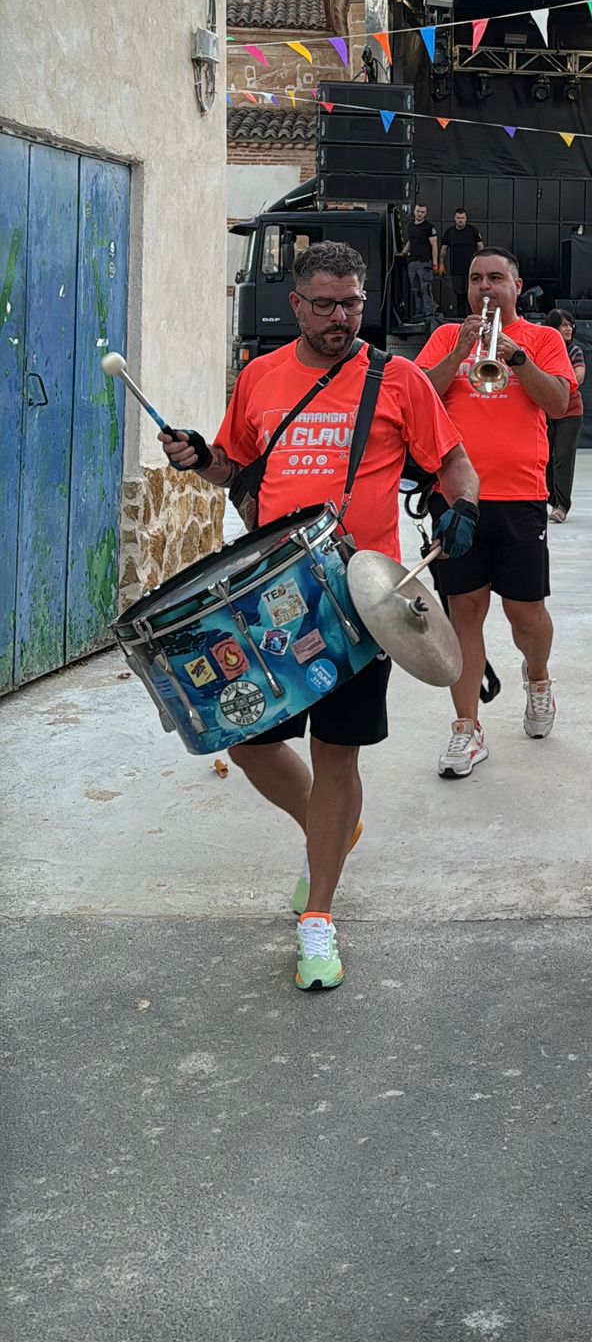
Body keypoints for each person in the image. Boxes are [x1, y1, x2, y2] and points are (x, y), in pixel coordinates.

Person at [159, 240, 479, 993]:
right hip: (268, 596)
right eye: (326, 305)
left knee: (339, 754)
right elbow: (236, 468)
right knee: (245, 739)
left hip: (360, 599)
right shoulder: (261, 377)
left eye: (352, 304)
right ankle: (329, 831)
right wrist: (199, 456)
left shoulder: (397, 378)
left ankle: (319, 917)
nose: (341, 318)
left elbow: (453, 462)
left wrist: (462, 507)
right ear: (295, 305)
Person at [416, 247, 577, 773]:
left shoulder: (543, 339)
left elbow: (558, 403)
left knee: (524, 612)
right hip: (457, 499)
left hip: (521, 496)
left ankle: (538, 677)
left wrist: (517, 358)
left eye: (495, 278)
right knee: (464, 610)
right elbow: (418, 399)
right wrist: (460, 352)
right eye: (475, 278)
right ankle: (466, 728)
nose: (484, 287)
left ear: (516, 285)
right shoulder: (447, 336)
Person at [542, 307, 585, 522]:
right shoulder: (543, 350)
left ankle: (562, 505)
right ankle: (551, 500)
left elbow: (579, 374)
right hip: (546, 410)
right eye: (563, 325)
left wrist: (558, 384)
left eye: (570, 324)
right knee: (545, 458)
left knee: (562, 459)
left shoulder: (574, 351)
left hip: (570, 411)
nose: (568, 328)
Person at [400, 203, 439, 327]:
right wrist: (403, 253)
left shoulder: (429, 227)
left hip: (424, 262)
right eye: (418, 211)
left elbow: (434, 245)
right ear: (414, 211)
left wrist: (435, 263)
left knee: (425, 288)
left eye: (422, 212)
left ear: (425, 214)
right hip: (412, 262)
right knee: (416, 289)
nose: (419, 214)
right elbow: (410, 241)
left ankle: (429, 313)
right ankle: (419, 313)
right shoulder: (411, 226)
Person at [440, 206, 482, 316]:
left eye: (462, 218)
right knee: (459, 295)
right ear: (455, 218)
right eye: (458, 218)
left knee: (471, 295)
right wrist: (441, 264)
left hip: (472, 270)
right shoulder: (450, 232)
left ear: (466, 218)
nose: (460, 220)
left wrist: (481, 263)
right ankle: (461, 318)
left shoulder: (472, 231)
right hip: (456, 270)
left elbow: (480, 247)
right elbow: (443, 250)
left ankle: (473, 317)